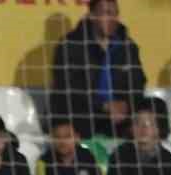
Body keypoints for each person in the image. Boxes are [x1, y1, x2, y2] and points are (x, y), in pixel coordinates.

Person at [48, 0, 147, 139]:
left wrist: (126, 104)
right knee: (67, 105)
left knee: (155, 106)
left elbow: (138, 82)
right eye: (106, 13)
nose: (112, 19)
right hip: (85, 112)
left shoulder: (127, 46)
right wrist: (104, 106)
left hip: (118, 114)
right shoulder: (70, 45)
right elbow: (68, 86)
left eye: (115, 13)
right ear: (92, 16)